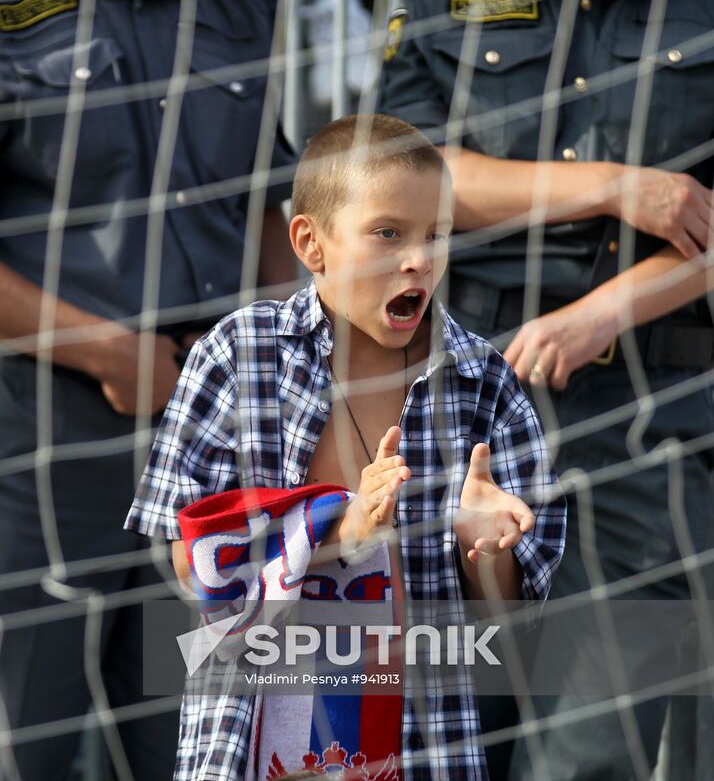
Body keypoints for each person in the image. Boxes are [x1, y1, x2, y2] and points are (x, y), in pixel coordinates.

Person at [377, 0, 714, 777]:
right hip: (458, 397)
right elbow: (408, 180)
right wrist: (616, 187)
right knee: (446, 732)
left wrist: (609, 305)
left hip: (641, 411)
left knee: (589, 737)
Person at [0, 0, 295, 778]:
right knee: (29, 740)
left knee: (201, 746)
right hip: (39, 440)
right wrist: (104, 350)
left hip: (208, 444)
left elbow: (270, 201)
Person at [125, 114, 567, 780]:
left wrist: (485, 551)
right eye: (388, 233)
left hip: (421, 745)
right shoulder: (238, 354)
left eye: (436, 234)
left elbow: (506, 628)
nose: (419, 257)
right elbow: (191, 568)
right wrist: (338, 528)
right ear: (312, 243)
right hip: (251, 733)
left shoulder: (483, 383)